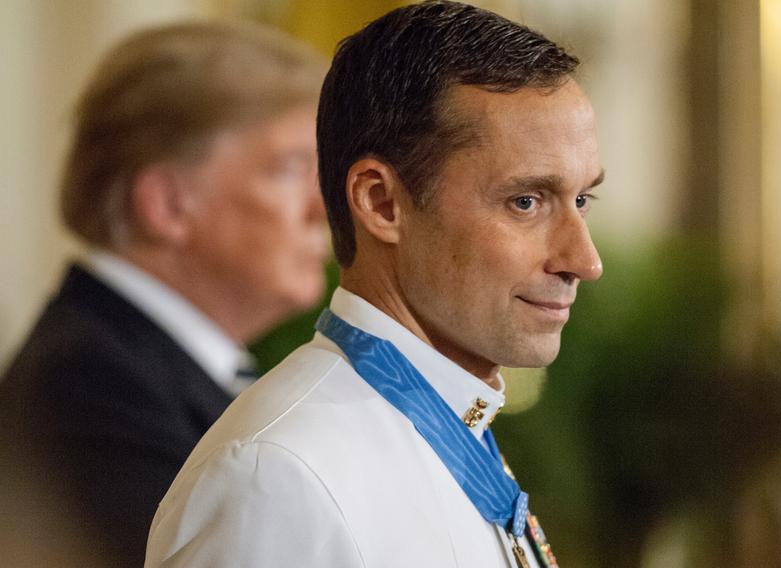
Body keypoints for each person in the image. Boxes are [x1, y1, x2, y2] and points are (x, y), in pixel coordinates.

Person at [146, 2, 603, 566]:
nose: (584, 260)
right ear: (382, 203)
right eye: (526, 202)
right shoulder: (280, 478)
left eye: (582, 199)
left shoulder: (453, 418)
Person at [0, 21, 327, 566]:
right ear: (169, 205)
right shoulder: (91, 391)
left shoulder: (127, 369)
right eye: (290, 169)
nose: (322, 209)